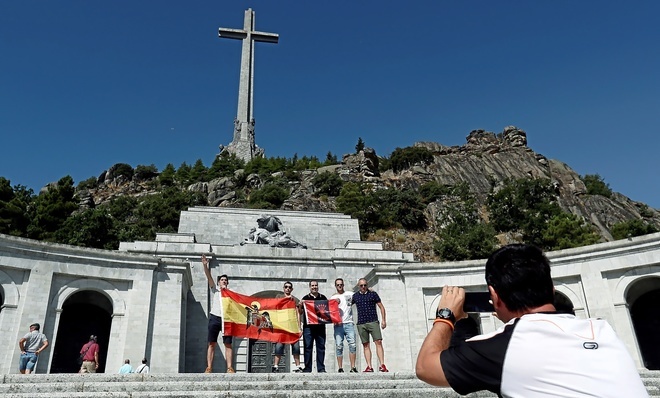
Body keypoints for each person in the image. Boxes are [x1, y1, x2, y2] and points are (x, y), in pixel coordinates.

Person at [416, 243, 648, 397]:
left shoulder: (501, 348)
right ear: (552, 288)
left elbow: (426, 367)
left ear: (494, 295)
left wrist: (445, 316)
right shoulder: (602, 330)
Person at [202, 254, 234, 373]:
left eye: (225, 280)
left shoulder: (231, 293)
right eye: (222, 280)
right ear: (219, 283)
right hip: (215, 317)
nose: (224, 281)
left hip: (227, 319)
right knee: (212, 343)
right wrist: (205, 265)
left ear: (227, 283)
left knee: (228, 344)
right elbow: (209, 277)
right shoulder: (215, 289)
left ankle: (229, 367)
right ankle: (209, 367)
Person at [352, 278, 388, 372]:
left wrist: (383, 320)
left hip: (373, 321)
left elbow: (381, 307)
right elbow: (346, 304)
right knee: (365, 345)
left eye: (365, 285)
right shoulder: (355, 296)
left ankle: (382, 365)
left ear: (367, 285)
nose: (363, 287)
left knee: (378, 342)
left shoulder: (373, 294)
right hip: (361, 323)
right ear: (358, 286)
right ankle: (369, 366)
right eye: (361, 285)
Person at [272, 281, 303, 373]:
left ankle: (298, 366)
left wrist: (299, 327)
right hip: (282, 326)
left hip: (292, 326)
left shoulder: (294, 300)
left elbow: (298, 313)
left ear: (292, 289)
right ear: (283, 288)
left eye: (289, 287)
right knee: (279, 346)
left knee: (296, 346)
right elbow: (275, 305)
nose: (288, 289)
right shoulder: (279, 297)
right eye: (286, 287)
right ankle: (275, 366)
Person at [331, 278, 357, 373]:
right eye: (338, 285)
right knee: (339, 346)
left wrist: (369, 290)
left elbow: (360, 295)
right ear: (335, 286)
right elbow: (329, 311)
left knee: (353, 345)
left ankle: (353, 367)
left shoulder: (350, 294)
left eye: (341, 284)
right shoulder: (333, 298)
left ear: (343, 285)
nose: (340, 286)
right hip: (338, 325)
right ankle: (340, 368)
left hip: (349, 323)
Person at [301, 280, 327, 373]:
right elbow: (300, 312)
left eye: (316, 285)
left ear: (318, 286)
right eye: (312, 285)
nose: (314, 287)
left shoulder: (323, 297)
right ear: (309, 287)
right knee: (307, 347)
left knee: (321, 347)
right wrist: (300, 304)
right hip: (308, 327)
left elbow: (327, 311)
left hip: (320, 327)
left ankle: (321, 368)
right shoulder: (305, 298)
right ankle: (307, 368)